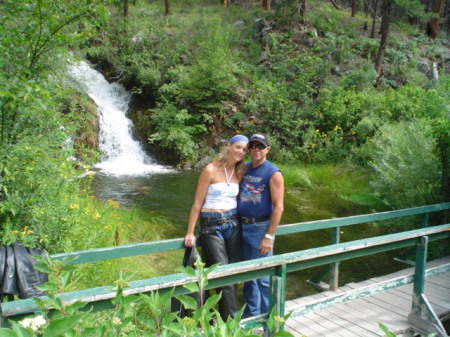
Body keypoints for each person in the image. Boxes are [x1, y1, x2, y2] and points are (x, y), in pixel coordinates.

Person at [184, 134, 249, 320]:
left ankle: (221, 318)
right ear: (228, 146)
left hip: (233, 224)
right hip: (211, 225)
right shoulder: (210, 169)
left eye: (244, 150)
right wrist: (190, 232)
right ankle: (232, 324)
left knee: (232, 275)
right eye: (238, 147)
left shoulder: (240, 172)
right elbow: (197, 203)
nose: (241, 152)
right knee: (222, 273)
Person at [237, 132, 284, 318]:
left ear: (268, 149)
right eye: (253, 145)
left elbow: (279, 207)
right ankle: (251, 315)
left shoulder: (273, 172)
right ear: (249, 148)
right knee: (248, 275)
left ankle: (270, 322)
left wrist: (269, 236)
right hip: (241, 227)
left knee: (263, 277)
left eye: (261, 146)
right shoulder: (244, 168)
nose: (256, 149)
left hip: (260, 229)